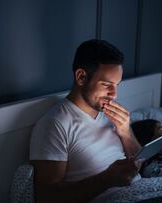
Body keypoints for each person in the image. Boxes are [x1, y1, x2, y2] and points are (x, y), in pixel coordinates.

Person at [29, 39, 143, 202]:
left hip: (143, 191)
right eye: (106, 84)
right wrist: (106, 179)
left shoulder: (109, 112)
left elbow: (139, 162)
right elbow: (46, 196)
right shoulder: (55, 124)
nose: (114, 95)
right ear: (81, 77)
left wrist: (125, 132)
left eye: (117, 85)